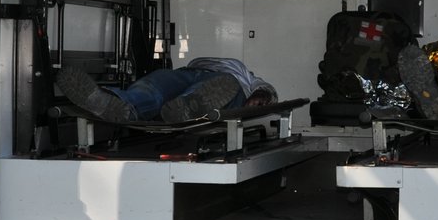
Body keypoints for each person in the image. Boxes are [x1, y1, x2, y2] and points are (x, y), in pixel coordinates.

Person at [57, 57, 277, 124]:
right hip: (189, 72)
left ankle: (187, 107)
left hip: (229, 86)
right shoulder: (199, 62)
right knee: (157, 82)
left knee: (221, 84)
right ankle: (123, 106)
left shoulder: (245, 76)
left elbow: (266, 90)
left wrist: (261, 95)